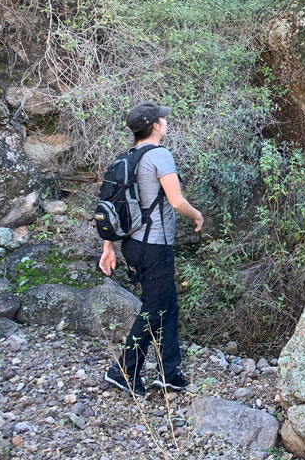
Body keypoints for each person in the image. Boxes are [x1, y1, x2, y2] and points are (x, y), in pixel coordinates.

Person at [99, 101, 203, 397]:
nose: (166, 122)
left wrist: (109, 247)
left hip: (132, 245)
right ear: (155, 125)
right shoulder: (160, 155)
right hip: (155, 245)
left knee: (168, 305)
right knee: (155, 309)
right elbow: (176, 200)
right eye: (163, 119)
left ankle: (170, 373)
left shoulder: (126, 157)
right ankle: (123, 372)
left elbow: (113, 207)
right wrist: (197, 215)